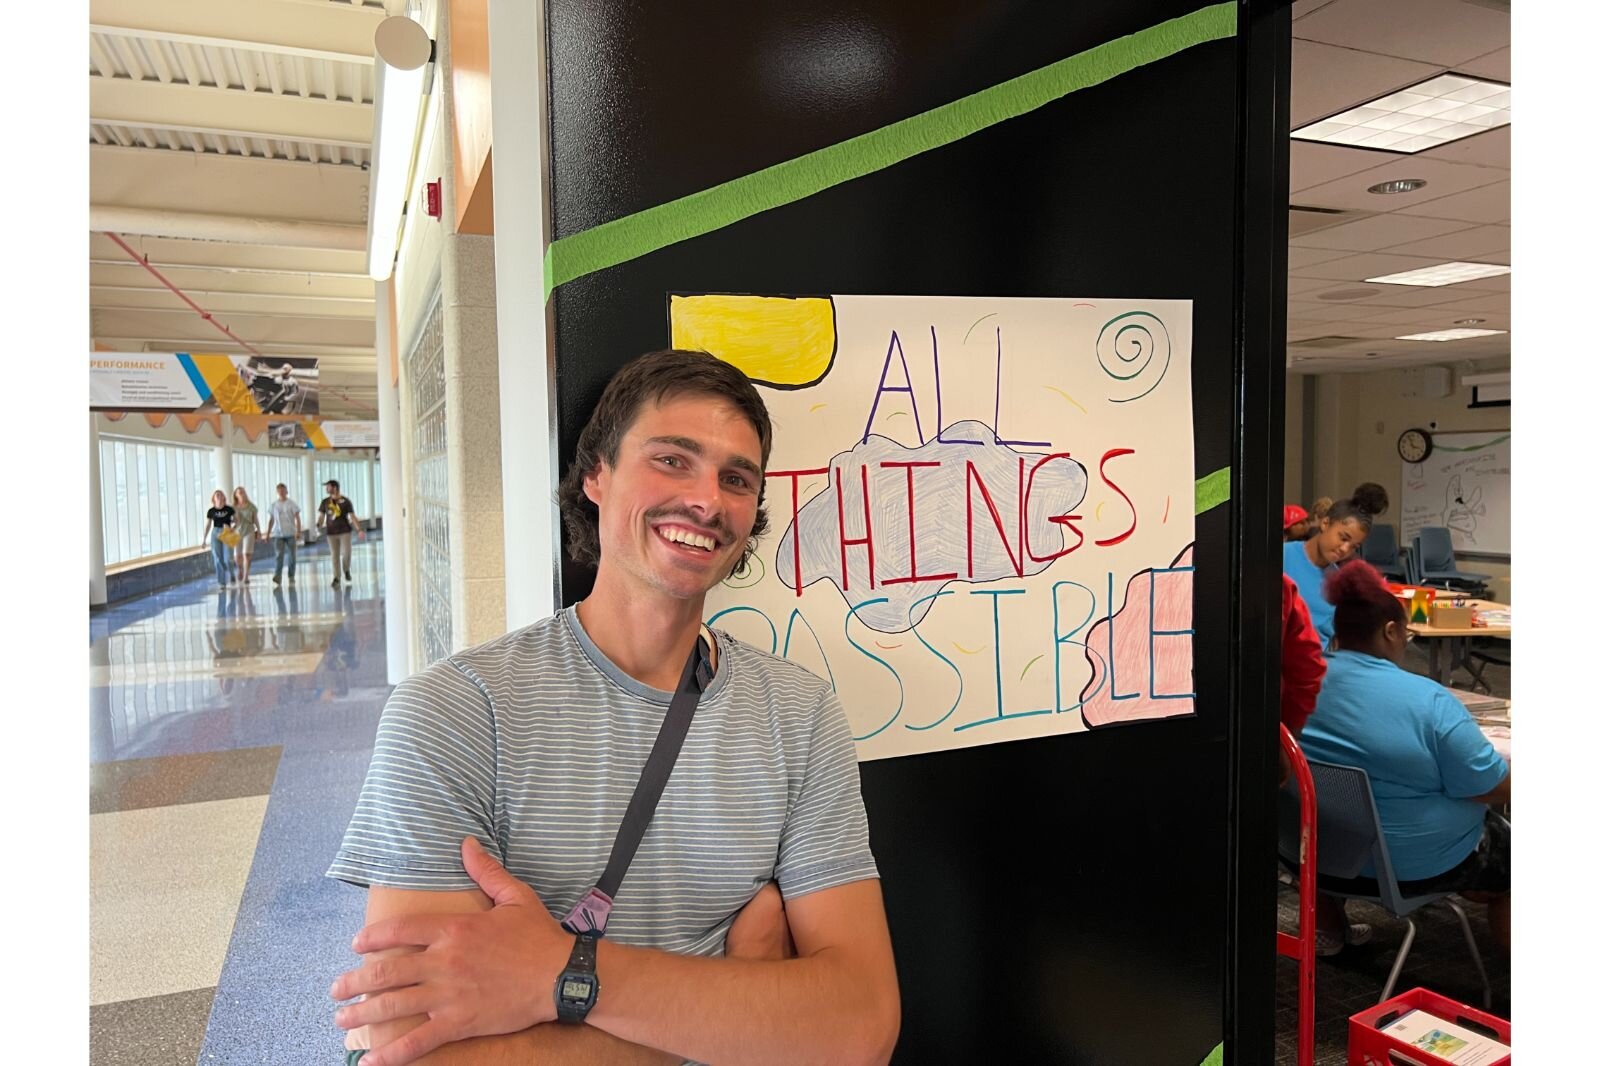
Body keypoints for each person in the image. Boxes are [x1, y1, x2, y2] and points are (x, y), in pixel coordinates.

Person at [327, 349, 899, 1066]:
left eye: (736, 479)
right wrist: (742, 993)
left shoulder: (798, 713)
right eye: (671, 460)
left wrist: (557, 978)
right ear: (595, 474)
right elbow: (412, 1051)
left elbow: (860, 1026)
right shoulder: (455, 713)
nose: (707, 501)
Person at [1298, 561, 1510, 956]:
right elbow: (1492, 785)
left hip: (1311, 854)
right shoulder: (1428, 702)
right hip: (1410, 866)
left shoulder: (1301, 681)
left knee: (1333, 793)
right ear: (1391, 630)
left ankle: (1328, 930)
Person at [1283, 497, 1372, 648]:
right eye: (1343, 538)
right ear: (1325, 523)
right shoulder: (1281, 557)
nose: (1345, 549)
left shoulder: (1339, 584)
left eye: (1354, 546)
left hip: (1318, 664)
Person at [317, 479, 363, 587]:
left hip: (345, 532)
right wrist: (318, 524)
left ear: (335, 488)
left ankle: (346, 570)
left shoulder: (346, 501)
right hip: (331, 533)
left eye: (328, 487)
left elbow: (352, 516)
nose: (326, 489)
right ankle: (336, 577)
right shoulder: (325, 502)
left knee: (346, 553)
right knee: (334, 556)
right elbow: (321, 516)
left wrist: (359, 529)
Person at [266, 482, 303, 585]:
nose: (281, 492)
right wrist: (268, 534)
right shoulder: (274, 505)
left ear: (286, 491)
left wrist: (298, 531)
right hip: (278, 534)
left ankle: (291, 575)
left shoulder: (292, 503)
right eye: (279, 491)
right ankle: (277, 576)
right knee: (279, 555)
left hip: (290, 532)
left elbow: (297, 517)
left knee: (292, 555)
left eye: (283, 490)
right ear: (277, 492)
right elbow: (271, 520)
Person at [200, 489, 237, 589]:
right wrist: (204, 539)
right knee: (217, 558)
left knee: (228, 558)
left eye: (221, 495)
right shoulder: (211, 511)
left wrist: (232, 528)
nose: (219, 497)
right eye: (217, 495)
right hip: (215, 533)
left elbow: (237, 521)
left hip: (227, 532)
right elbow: (208, 525)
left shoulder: (229, 509)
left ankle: (232, 574)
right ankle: (222, 582)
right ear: (214, 498)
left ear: (224, 497)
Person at [232, 486, 261, 585]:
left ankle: (246, 576)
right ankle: (240, 569)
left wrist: (259, 530)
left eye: (243, 492)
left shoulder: (251, 506)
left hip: (249, 530)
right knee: (237, 556)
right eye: (239, 492)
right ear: (236, 495)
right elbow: (231, 521)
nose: (241, 494)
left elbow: (255, 519)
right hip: (237, 532)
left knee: (246, 554)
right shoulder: (233, 507)